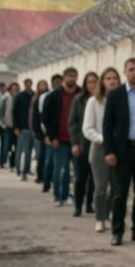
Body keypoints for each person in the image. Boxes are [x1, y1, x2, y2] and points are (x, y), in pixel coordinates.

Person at [102, 58, 135, 246]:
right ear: (125, 72)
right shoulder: (116, 95)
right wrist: (109, 151)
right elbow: (107, 125)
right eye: (131, 69)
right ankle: (117, 231)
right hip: (122, 151)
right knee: (120, 193)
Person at [83, 67, 121, 233]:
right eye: (108, 78)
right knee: (100, 187)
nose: (112, 81)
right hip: (100, 148)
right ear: (102, 82)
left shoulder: (122, 100)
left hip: (119, 148)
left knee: (117, 186)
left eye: (115, 78)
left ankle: (109, 214)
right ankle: (100, 218)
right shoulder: (94, 102)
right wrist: (104, 139)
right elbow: (87, 128)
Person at [44, 67, 79, 207]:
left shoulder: (81, 94)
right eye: (69, 76)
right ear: (64, 77)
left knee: (77, 172)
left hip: (76, 140)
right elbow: (46, 117)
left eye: (74, 76)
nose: (72, 78)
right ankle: (58, 196)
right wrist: (52, 137)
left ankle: (71, 195)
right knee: (60, 170)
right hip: (60, 139)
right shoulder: (53, 96)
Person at [69, 71, 99, 217]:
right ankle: (78, 205)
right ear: (85, 84)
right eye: (89, 82)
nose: (92, 84)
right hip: (82, 145)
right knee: (81, 177)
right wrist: (75, 143)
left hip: (97, 144)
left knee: (94, 178)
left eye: (94, 81)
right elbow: (72, 122)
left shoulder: (102, 99)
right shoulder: (79, 100)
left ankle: (89, 204)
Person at [38, 74, 63, 192]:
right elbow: (43, 118)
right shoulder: (45, 97)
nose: (58, 84)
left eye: (60, 81)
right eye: (56, 82)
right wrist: (47, 135)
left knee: (59, 163)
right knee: (49, 161)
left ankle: (58, 184)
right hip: (51, 134)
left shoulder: (64, 95)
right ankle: (46, 183)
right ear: (52, 83)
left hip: (62, 134)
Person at [13, 78, 35, 181]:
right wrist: (16, 127)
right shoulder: (19, 97)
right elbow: (15, 112)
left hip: (32, 129)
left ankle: (25, 169)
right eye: (27, 84)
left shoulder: (34, 96)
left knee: (29, 152)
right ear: (24, 85)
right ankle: (20, 169)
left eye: (30, 84)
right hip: (23, 128)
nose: (28, 86)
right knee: (22, 151)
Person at [29, 79, 50, 187]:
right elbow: (33, 116)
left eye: (45, 84)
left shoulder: (50, 96)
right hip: (39, 132)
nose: (43, 86)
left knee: (47, 156)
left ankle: (46, 177)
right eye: (41, 85)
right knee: (40, 155)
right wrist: (34, 130)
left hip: (48, 131)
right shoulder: (36, 99)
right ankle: (40, 175)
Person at [0, 83, 15, 169]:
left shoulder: (15, 98)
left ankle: (11, 163)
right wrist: (4, 122)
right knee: (5, 145)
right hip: (5, 126)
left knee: (11, 146)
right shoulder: (5, 98)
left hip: (13, 126)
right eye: (14, 89)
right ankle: (2, 161)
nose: (16, 91)